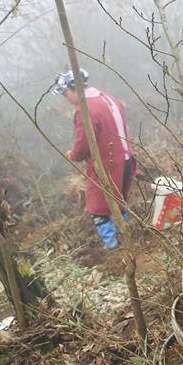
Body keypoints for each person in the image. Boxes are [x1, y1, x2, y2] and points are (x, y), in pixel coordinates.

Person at [53, 69, 135, 250]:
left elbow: (83, 145)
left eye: (66, 94)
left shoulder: (86, 109)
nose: (66, 99)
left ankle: (113, 248)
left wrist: (73, 154)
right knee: (119, 202)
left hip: (108, 164)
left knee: (99, 210)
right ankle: (128, 238)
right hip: (127, 159)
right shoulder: (108, 98)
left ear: (75, 89)